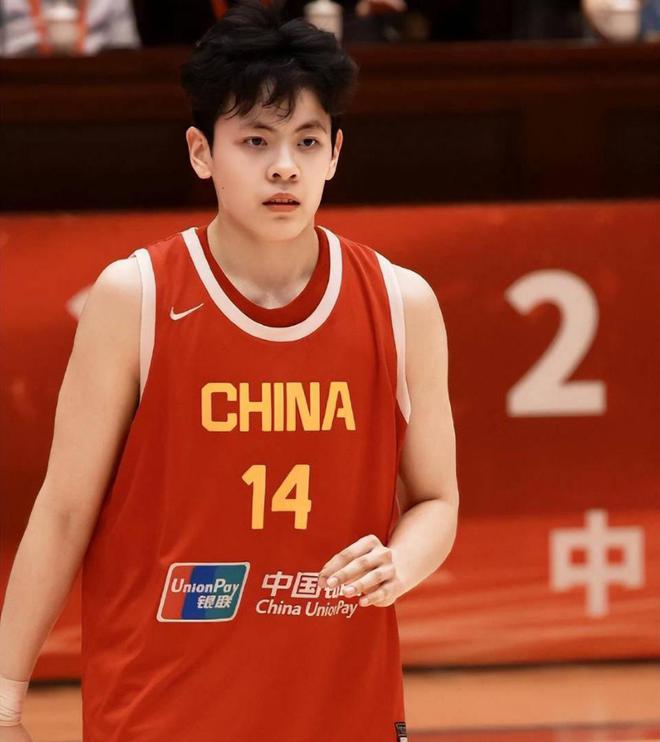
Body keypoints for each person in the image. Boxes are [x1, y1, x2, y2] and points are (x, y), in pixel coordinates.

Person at [0, 0, 459, 738]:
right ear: (200, 151)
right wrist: (5, 697)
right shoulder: (136, 295)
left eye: (307, 140)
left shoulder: (402, 302)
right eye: (255, 140)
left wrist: (402, 562)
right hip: (159, 709)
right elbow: (63, 510)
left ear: (335, 154)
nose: (284, 166)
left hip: (342, 706)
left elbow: (437, 499)